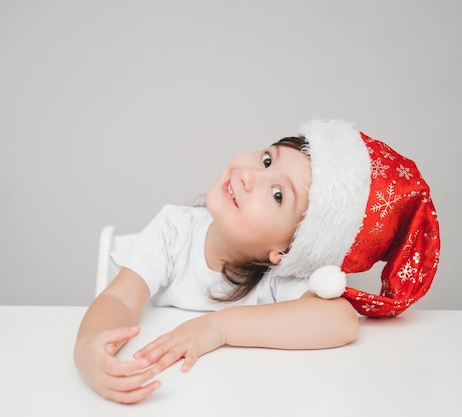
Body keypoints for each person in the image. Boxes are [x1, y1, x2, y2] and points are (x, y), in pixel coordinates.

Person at [74, 119, 441, 404]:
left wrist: (218, 328)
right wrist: (88, 348)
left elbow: (341, 322)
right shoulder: (173, 230)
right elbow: (120, 299)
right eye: (267, 160)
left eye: (278, 195)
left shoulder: (277, 276)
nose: (250, 176)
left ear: (286, 250)